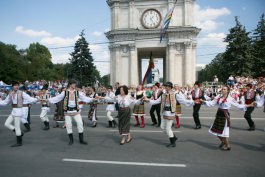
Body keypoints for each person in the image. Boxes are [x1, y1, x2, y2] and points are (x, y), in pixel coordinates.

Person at [144, 82, 194, 147]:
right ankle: (173, 137)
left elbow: (183, 101)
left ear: (170, 87)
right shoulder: (163, 95)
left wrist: (193, 102)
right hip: (164, 113)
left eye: (167, 86)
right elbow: (155, 102)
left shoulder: (175, 95)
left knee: (168, 129)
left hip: (171, 114)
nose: (165, 87)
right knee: (162, 127)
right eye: (165, 86)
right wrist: (147, 100)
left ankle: (172, 142)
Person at [201, 86, 251, 151]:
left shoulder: (230, 98)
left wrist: (249, 105)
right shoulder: (219, 97)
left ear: (228, 91)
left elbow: (238, 105)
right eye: (222, 89)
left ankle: (227, 145)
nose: (222, 90)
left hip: (225, 115)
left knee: (224, 132)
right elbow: (212, 103)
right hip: (219, 114)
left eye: (224, 89)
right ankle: (223, 142)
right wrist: (204, 101)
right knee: (215, 130)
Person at [47, 79, 95, 145]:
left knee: (80, 124)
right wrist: (48, 100)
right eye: (74, 83)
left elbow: (84, 98)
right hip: (67, 112)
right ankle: (71, 140)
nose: (75, 85)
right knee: (69, 126)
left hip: (76, 111)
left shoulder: (77, 92)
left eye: (75, 83)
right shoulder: (65, 92)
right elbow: (58, 98)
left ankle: (81, 140)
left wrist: (93, 99)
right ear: (70, 84)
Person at [0, 81, 38, 147]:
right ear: (12, 86)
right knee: (7, 124)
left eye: (17, 85)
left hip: (18, 111)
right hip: (13, 111)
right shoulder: (10, 93)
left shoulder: (21, 93)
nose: (16, 86)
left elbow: (29, 98)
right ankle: (20, 133)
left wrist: (37, 99)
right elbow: (5, 102)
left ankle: (19, 142)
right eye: (15, 85)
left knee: (17, 127)